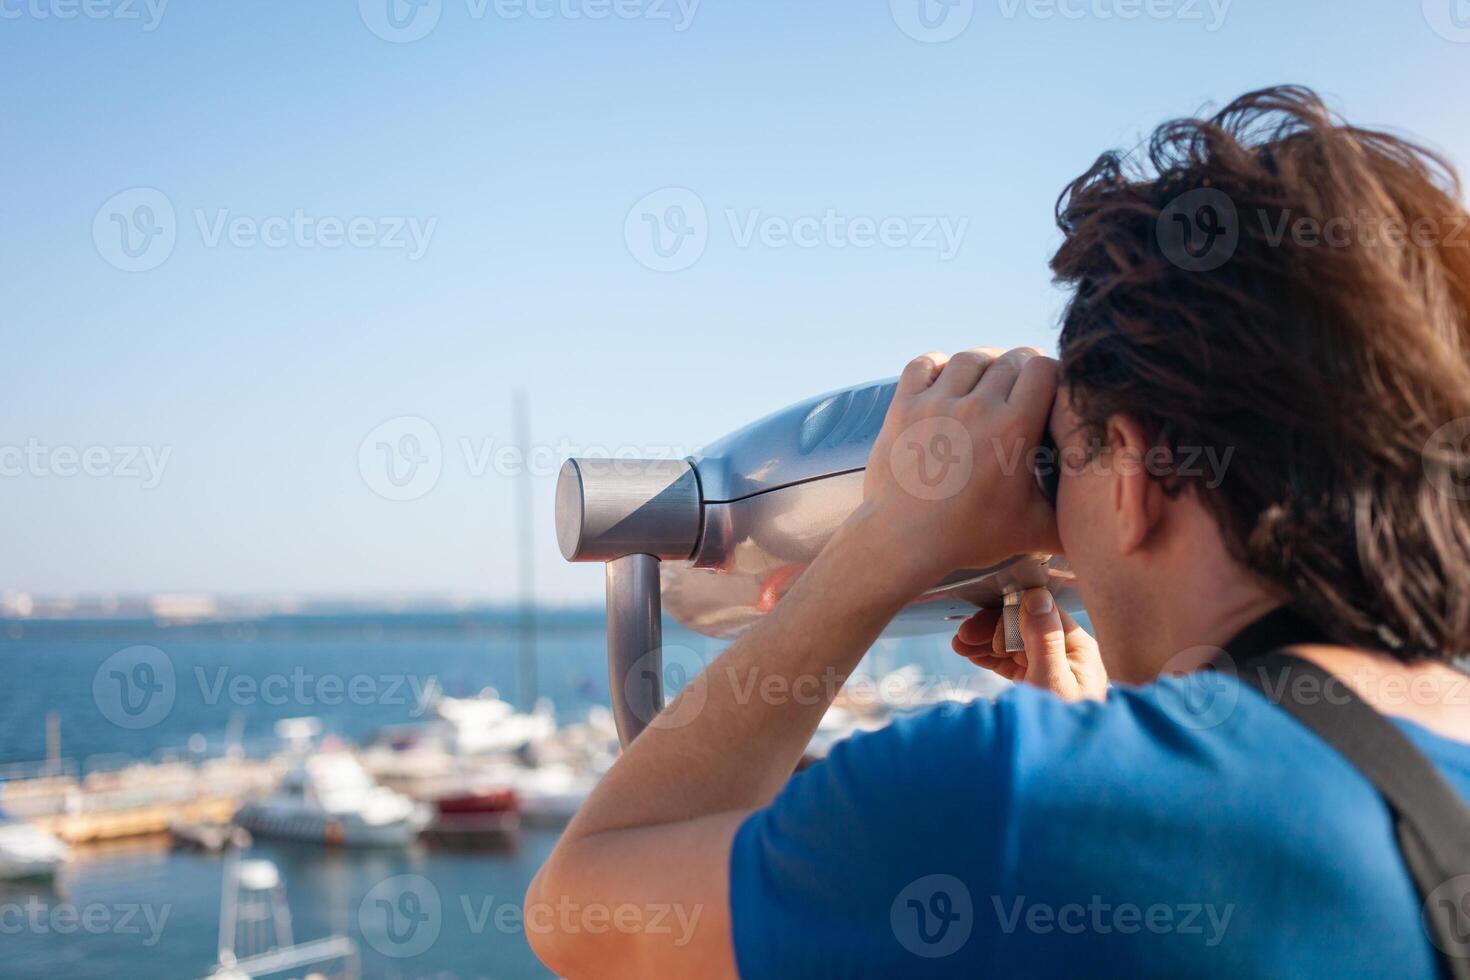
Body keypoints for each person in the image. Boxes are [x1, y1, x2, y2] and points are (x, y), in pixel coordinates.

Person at [525, 85, 1470, 978]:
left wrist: (886, 541)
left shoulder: (1025, 803)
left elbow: (583, 911)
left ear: (1135, 477)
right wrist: (1111, 736)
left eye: (1063, 467)